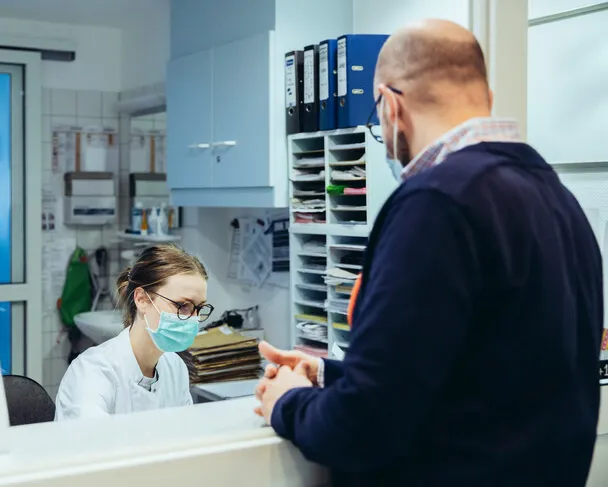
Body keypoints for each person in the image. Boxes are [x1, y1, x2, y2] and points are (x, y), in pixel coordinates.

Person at [256, 18, 604, 486]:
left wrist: (288, 401)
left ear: (390, 105)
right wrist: (325, 373)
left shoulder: (435, 204)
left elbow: (363, 428)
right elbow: (484, 378)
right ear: (485, 98)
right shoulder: (557, 200)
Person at [55, 244, 214, 420]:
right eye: (183, 306)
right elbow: (93, 436)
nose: (193, 318)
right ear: (142, 299)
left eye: (199, 308)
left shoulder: (175, 367)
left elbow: (186, 432)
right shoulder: (92, 371)